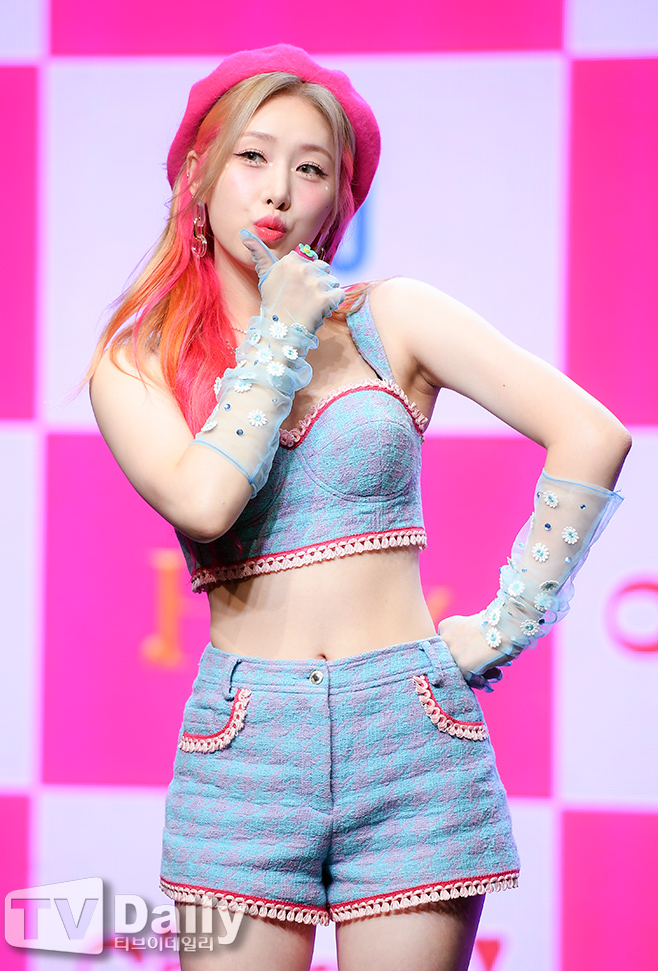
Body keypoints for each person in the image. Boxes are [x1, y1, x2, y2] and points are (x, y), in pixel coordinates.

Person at [88, 44, 631, 971]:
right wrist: (280, 329)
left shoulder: (395, 315)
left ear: (337, 201)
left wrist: (504, 626)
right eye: (253, 156)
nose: (279, 190)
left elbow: (592, 432)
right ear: (197, 175)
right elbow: (207, 501)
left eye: (312, 169)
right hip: (245, 748)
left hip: (412, 734)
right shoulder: (137, 361)